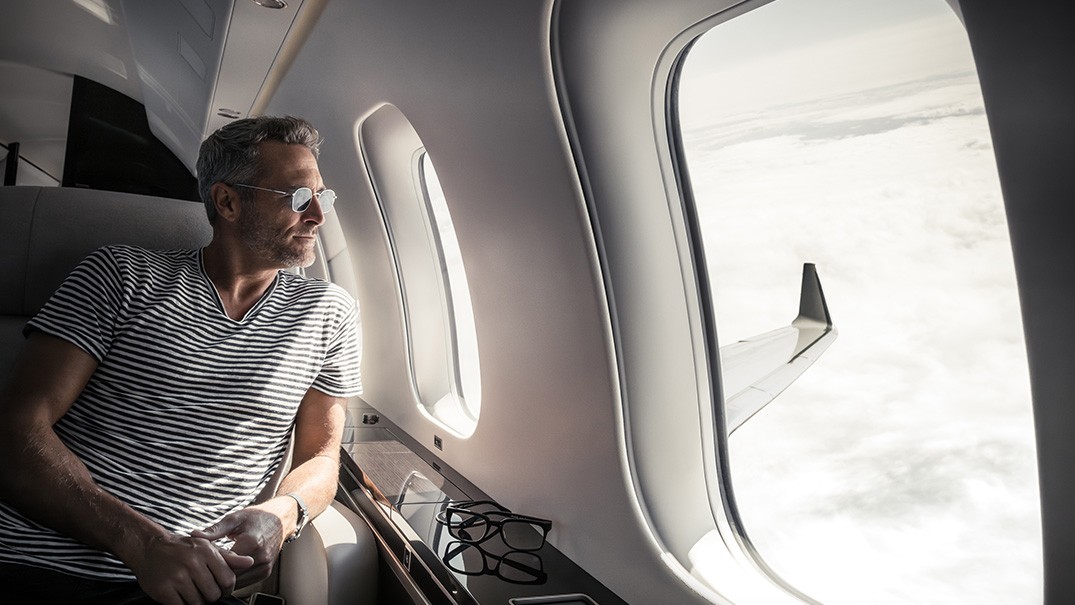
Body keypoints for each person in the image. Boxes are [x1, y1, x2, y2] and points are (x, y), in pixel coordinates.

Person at [0, 115, 362, 604]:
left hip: (195, 580)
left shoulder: (329, 313)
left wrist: (283, 514)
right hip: (37, 561)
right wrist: (143, 544)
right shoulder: (121, 276)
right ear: (228, 201)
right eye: (299, 198)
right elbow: (17, 431)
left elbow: (321, 455)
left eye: (324, 196)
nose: (319, 215)